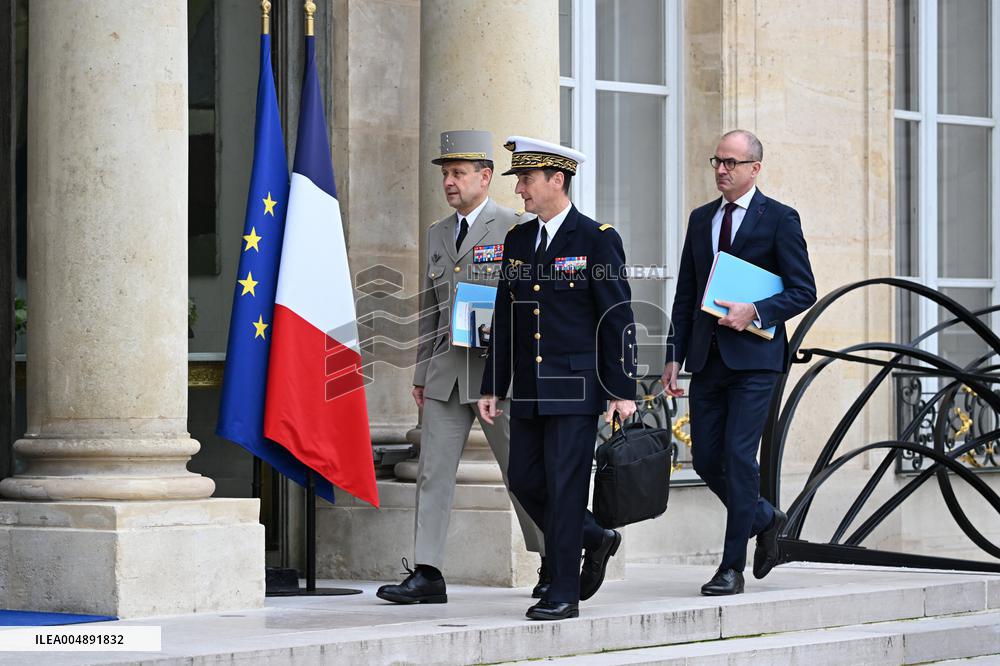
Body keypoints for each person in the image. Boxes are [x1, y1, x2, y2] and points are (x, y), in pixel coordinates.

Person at [377, 130, 545, 605]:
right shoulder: (436, 232)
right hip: (446, 373)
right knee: (432, 471)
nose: (449, 182)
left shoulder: (516, 227)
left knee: (523, 472)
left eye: (458, 173)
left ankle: (552, 560)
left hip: (499, 373)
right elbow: (430, 309)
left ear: (485, 177)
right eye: (445, 174)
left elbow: (531, 305)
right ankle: (427, 571)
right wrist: (418, 373)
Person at [478, 136, 638, 621]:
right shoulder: (519, 241)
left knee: (566, 486)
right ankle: (595, 537)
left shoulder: (596, 238)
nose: (520, 190)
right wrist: (492, 383)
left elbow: (617, 316)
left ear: (557, 180)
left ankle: (563, 591)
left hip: (576, 386)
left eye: (526, 179)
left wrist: (621, 390)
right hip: (527, 385)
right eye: (520, 180)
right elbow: (506, 315)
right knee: (525, 480)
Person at [662, 129, 816, 596]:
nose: (722, 170)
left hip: (756, 361)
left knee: (738, 457)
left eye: (731, 162)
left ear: (755, 168)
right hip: (707, 358)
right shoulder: (700, 218)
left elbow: (803, 289)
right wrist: (673, 353)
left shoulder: (780, 219)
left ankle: (731, 566)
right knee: (707, 458)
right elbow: (686, 291)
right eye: (717, 161)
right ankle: (766, 518)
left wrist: (758, 310)